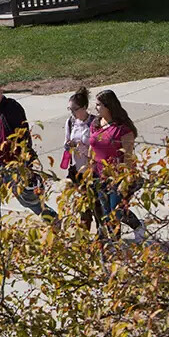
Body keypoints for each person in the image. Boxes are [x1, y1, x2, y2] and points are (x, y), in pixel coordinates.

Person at [0, 79, 57, 234]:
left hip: (14, 163)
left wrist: (25, 160)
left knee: (26, 199)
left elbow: (24, 134)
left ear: (1, 92)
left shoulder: (13, 108)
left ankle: (51, 217)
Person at [90, 90, 146, 242]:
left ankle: (122, 238)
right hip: (100, 176)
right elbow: (93, 148)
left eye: (99, 105)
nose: (96, 108)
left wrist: (123, 180)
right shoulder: (95, 124)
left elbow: (128, 157)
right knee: (106, 210)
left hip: (117, 177)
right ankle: (121, 238)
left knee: (115, 213)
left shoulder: (123, 129)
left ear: (109, 106)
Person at [62, 87, 99, 231]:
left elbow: (96, 151)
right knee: (83, 206)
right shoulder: (70, 122)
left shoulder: (95, 123)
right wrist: (68, 145)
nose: (72, 113)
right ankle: (84, 237)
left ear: (84, 107)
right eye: (70, 109)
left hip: (93, 171)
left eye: (75, 109)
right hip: (78, 171)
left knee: (97, 206)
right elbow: (66, 143)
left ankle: (102, 235)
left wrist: (79, 147)